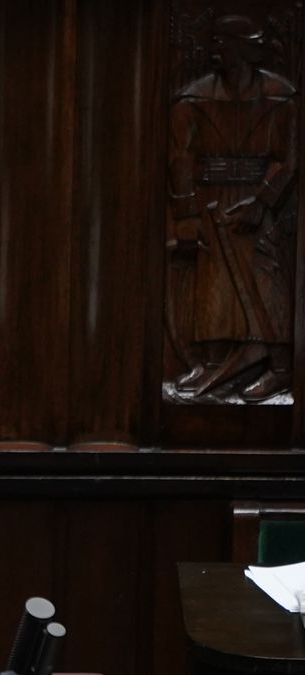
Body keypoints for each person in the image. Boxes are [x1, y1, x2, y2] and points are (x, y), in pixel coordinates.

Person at [166, 14, 297, 402]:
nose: (216, 51)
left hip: (259, 201)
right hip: (212, 199)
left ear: (245, 49)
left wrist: (263, 201)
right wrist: (187, 215)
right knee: (213, 282)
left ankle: (280, 368)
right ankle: (213, 361)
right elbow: (180, 160)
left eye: (224, 44)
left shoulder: (281, 97)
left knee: (267, 278)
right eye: (215, 43)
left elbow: (289, 159)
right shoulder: (192, 100)